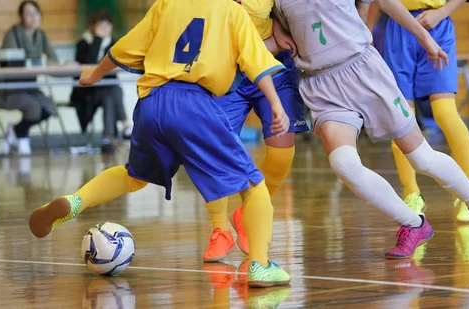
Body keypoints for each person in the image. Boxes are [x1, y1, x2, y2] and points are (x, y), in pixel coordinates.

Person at [29, 0, 291, 288]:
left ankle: (75, 201)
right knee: (253, 186)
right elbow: (258, 64)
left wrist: (95, 74)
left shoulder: (167, 4)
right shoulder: (232, 11)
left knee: (133, 177)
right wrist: (276, 105)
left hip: (152, 102)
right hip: (196, 103)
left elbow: (124, 48)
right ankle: (260, 265)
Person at [272, 0, 469, 258]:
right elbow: (273, 37)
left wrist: (423, 36)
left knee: (421, 158)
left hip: (363, 71)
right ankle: (413, 223)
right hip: (322, 85)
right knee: (343, 164)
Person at [202, 0, 308, 263]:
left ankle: (247, 214)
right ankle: (220, 229)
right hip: (227, 70)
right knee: (215, 151)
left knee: (283, 152)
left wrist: (279, 27)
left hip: (274, 68)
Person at [366, 0, 469, 222]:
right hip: (399, 29)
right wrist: (366, 36)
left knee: (445, 113)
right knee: (401, 118)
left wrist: (442, 12)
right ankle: (411, 193)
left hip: (437, 26)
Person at [0, 0, 58, 156]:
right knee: (33, 107)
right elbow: (10, 62)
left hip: (30, 86)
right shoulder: (13, 34)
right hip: (10, 88)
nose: (33, 17)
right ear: (21, 17)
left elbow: (53, 59)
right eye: (29, 14)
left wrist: (40, 60)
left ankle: (16, 131)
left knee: (49, 107)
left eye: (36, 13)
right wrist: (38, 58)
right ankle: (22, 138)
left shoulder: (41, 35)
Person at [71, 11, 132, 153]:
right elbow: (90, 64)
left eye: (107, 25)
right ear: (92, 27)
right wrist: (97, 40)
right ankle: (125, 127)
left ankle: (107, 138)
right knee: (113, 90)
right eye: (100, 25)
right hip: (87, 91)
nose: (104, 28)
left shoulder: (115, 44)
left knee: (111, 93)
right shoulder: (83, 44)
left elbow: (115, 66)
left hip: (106, 91)